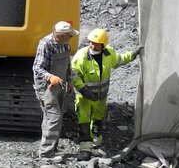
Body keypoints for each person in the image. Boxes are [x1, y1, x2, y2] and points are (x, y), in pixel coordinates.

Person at [70, 28, 142, 159]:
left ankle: (96, 144)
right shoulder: (81, 56)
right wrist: (83, 89)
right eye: (91, 42)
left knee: (98, 118)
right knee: (84, 120)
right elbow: (74, 75)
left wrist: (133, 54)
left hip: (101, 97)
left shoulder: (109, 54)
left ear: (103, 45)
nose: (93, 45)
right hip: (84, 97)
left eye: (96, 44)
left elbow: (119, 60)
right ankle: (85, 148)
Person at [33, 20, 78, 158]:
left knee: (51, 118)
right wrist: (50, 76)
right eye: (69, 35)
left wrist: (69, 80)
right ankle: (46, 153)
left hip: (60, 85)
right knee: (54, 118)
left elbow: (67, 64)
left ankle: (52, 148)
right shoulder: (45, 44)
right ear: (60, 35)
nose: (71, 37)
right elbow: (37, 68)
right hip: (47, 87)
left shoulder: (65, 44)